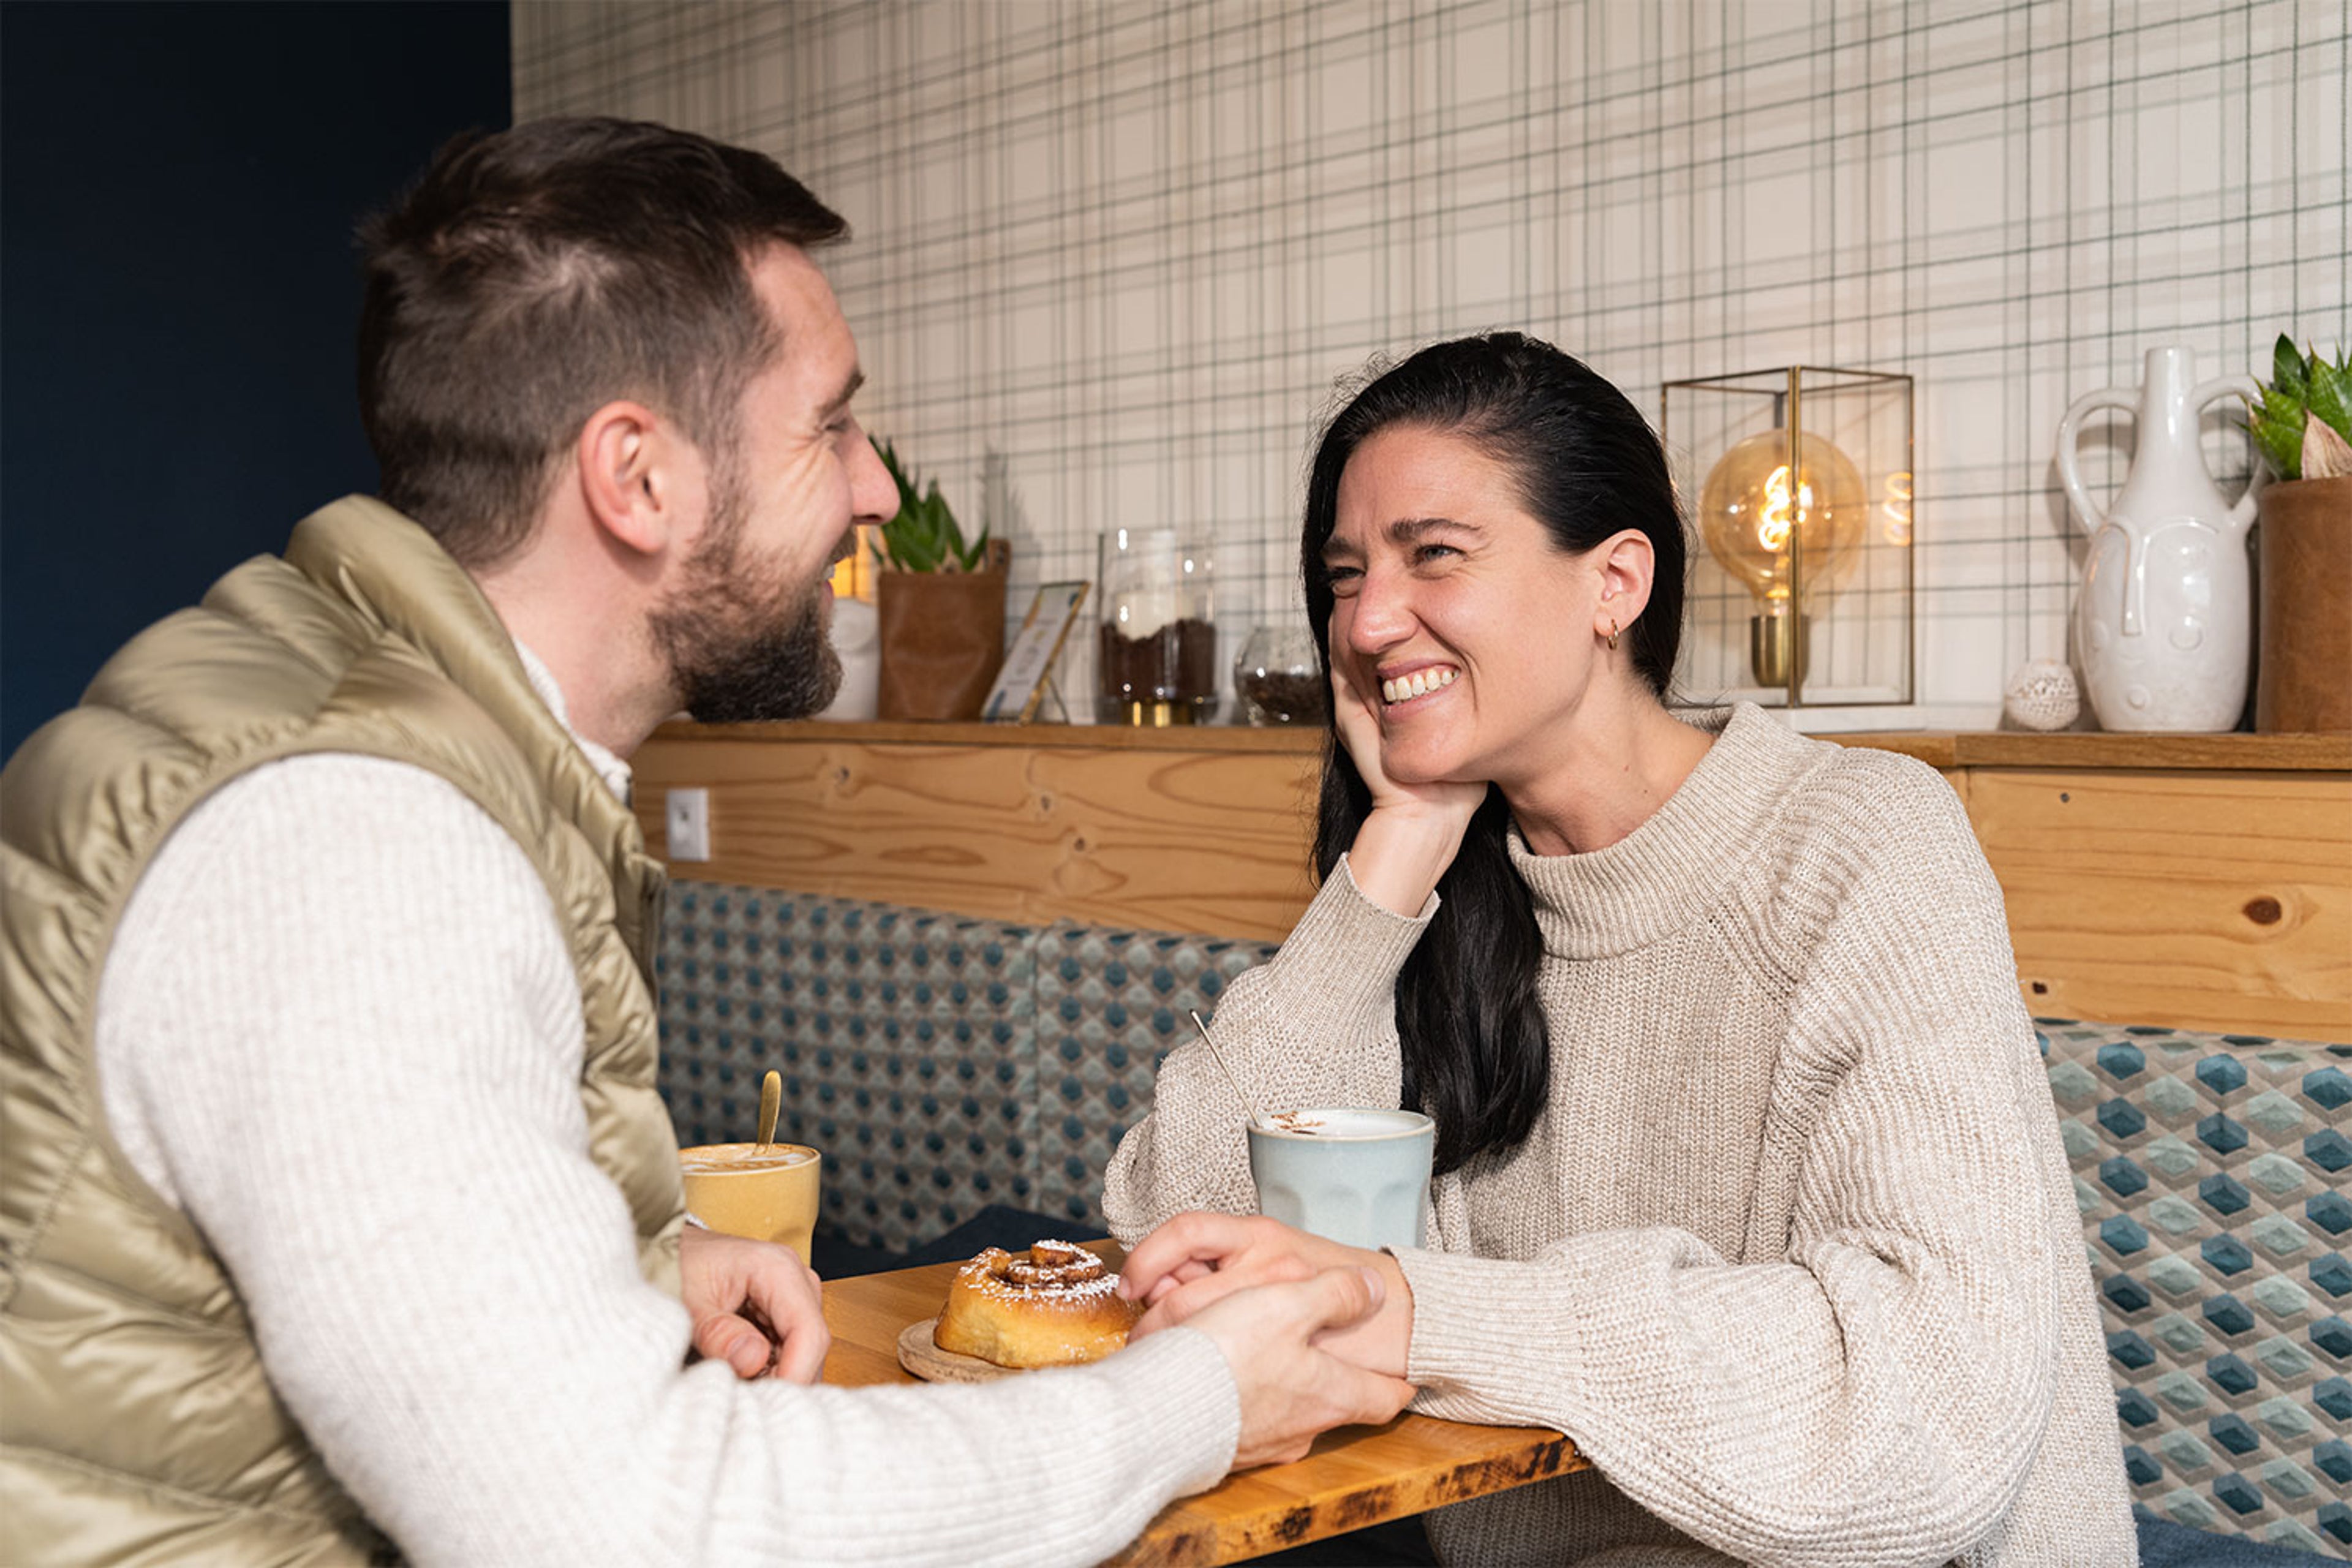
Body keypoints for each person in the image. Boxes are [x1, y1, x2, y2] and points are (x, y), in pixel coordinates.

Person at [0, 117, 1410, 1566]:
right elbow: (624, 1521)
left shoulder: (341, 716)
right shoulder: (358, 839)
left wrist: (621, 1257)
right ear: (641, 478)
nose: (873, 491)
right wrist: (1194, 1399)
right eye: (830, 423)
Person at [1103, 333, 2138, 1566]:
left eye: (1433, 553)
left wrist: (1416, 1310)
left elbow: (1922, 1407)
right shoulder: (1449, 888)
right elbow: (1177, 1243)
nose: (1370, 621)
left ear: (1616, 584)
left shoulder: (1861, 840)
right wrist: (1392, 855)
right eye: (1343, 573)